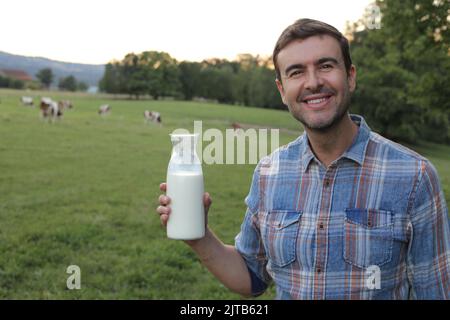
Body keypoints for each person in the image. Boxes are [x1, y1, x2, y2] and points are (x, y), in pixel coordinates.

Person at [156, 18, 450, 299]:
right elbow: (251, 275)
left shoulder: (415, 176)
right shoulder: (268, 173)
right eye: (296, 72)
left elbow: (436, 291)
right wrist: (199, 235)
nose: (312, 82)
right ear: (282, 90)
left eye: (325, 65)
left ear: (350, 76)